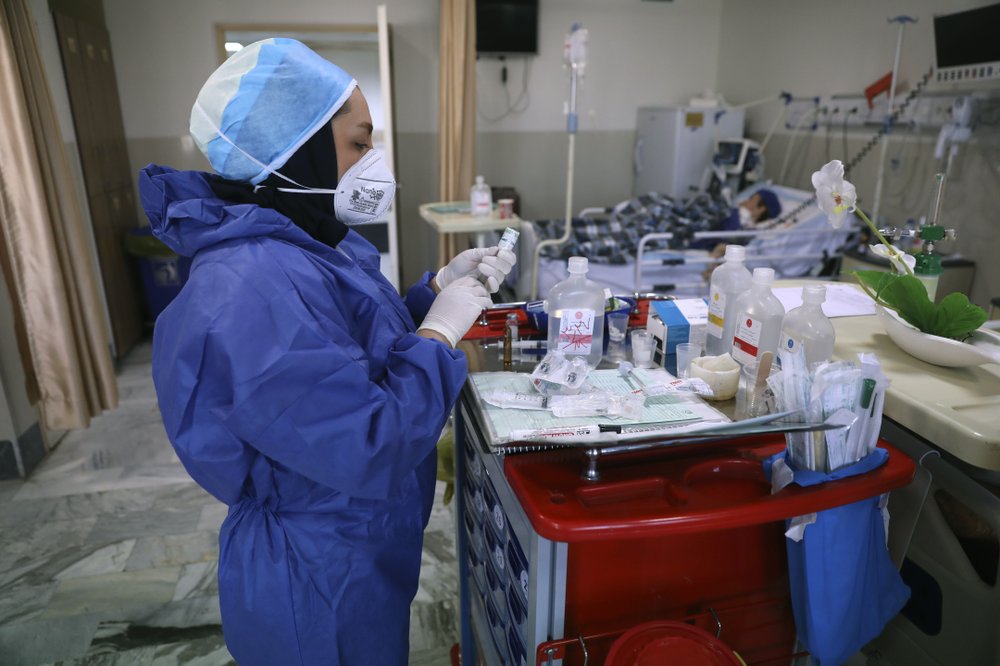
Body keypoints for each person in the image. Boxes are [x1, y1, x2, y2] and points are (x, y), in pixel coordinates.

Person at [138, 38, 515, 665]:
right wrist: (440, 334)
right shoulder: (245, 291)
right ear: (298, 150)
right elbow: (370, 439)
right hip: (314, 575)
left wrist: (435, 292)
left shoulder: (307, 242)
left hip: (354, 543)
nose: (373, 164)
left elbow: (349, 346)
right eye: (359, 144)